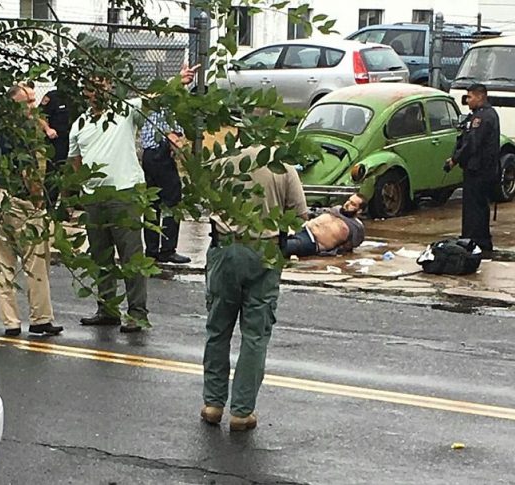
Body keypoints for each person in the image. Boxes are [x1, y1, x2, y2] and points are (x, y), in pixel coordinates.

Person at [70, 64, 198, 332]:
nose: (98, 90)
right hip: (95, 197)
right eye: (92, 86)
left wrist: (179, 81)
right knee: (100, 255)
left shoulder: (124, 111)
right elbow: (75, 160)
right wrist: (85, 187)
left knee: (131, 256)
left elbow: (156, 100)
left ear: (110, 87)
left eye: (103, 84)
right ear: (86, 92)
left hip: (124, 193)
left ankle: (137, 312)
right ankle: (107, 308)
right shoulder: (79, 124)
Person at [201, 146, 309, 431]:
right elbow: (299, 217)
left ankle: (213, 404)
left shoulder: (222, 161)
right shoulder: (282, 165)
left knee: (218, 329)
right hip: (265, 252)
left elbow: (205, 204)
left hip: (225, 248)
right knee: (255, 335)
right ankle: (242, 411)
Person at [0, 85, 62, 337]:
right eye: (26, 101)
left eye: (33, 100)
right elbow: (29, 170)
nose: (32, 106)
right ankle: (40, 318)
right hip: (18, 198)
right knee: (35, 258)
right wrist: (38, 199)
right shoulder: (23, 134)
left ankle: (11, 322)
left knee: (2, 260)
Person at [445, 83, 500, 259]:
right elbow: (464, 138)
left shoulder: (483, 117)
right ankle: (475, 239)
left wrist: (454, 160)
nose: (467, 100)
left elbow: (472, 143)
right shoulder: (477, 116)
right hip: (475, 168)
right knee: (474, 206)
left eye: (470, 97)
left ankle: (474, 240)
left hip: (480, 170)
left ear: (480, 96)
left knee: (475, 207)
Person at [140, 110, 191, 264]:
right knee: (172, 201)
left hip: (148, 155)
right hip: (161, 154)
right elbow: (172, 136)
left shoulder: (150, 104)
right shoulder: (169, 106)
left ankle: (151, 250)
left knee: (152, 202)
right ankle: (167, 250)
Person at [286, 193, 366, 257]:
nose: (347, 204)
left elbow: (351, 245)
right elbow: (315, 213)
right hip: (302, 228)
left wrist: (335, 251)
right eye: (348, 200)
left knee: (283, 247)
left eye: (353, 204)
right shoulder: (336, 209)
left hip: (312, 242)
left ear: (359, 211)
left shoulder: (356, 227)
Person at [39, 89, 70, 209]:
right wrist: (47, 129)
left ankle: (69, 205)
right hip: (57, 140)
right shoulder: (52, 96)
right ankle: (49, 205)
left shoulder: (78, 96)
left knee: (73, 171)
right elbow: (39, 115)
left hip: (74, 139)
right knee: (54, 171)